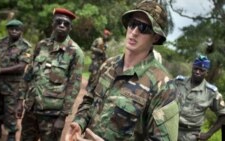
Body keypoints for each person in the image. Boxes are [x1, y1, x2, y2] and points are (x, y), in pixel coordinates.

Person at [66, 1, 180, 141]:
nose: (134, 32)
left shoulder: (163, 85)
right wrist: (79, 123)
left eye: (143, 27)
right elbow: (89, 101)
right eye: (132, 24)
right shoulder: (108, 65)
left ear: (155, 37)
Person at [14, 8, 84, 141]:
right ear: (53, 24)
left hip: (52, 115)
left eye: (66, 23)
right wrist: (20, 100)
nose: (62, 25)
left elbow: (73, 87)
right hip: (31, 109)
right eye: (59, 22)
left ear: (70, 28)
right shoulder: (41, 45)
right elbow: (29, 73)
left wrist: (63, 117)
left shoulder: (75, 53)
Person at [173, 55, 225, 141]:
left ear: (206, 73)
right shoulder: (178, 82)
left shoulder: (211, 92)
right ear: (192, 68)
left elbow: (224, 115)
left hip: (190, 135)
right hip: (170, 129)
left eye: (201, 70)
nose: (197, 72)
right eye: (195, 68)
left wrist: (208, 134)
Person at [0, 19, 32, 141]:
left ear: (21, 31)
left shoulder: (26, 46)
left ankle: (11, 134)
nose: (14, 31)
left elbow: (21, 67)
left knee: (11, 111)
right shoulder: (0, 43)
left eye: (17, 29)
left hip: (13, 86)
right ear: (8, 30)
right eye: (11, 29)